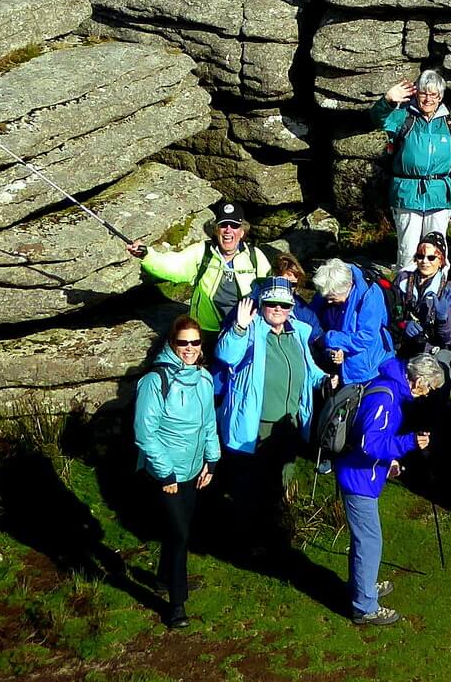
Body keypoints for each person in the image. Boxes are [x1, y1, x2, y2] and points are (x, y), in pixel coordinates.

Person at [213, 277, 326, 550]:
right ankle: (249, 540)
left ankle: (280, 533)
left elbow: (309, 369)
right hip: (257, 424)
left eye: (284, 304)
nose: (278, 308)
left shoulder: (298, 331)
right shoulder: (249, 328)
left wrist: (327, 380)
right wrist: (238, 327)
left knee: (282, 481)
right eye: (272, 303)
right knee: (253, 485)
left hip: (289, 423)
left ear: (291, 307)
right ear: (262, 304)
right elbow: (226, 355)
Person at [337, 353, 445, 626]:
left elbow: (375, 439)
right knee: (370, 541)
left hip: (362, 474)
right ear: (418, 380)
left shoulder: (387, 387)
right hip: (358, 478)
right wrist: (407, 443)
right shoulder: (386, 398)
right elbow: (369, 444)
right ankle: (365, 607)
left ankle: (363, 586)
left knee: (364, 539)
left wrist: (388, 463)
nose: (426, 394)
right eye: (429, 388)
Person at [133, 315, 220, 629]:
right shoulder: (155, 381)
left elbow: (209, 424)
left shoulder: (205, 379)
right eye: (183, 342)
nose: (189, 348)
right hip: (166, 473)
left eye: (195, 342)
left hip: (194, 469)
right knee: (180, 535)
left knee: (177, 532)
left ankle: (163, 579)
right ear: (172, 343)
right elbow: (145, 432)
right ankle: (176, 603)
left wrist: (211, 461)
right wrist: (165, 473)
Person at [372, 69, 451, 274]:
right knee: (408, 253)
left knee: (436, 254)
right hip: (407, 194)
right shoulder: (404, 117)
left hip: (439, 196)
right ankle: (404, 300)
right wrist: (388, 99)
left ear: (440, 96)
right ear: (416, 93)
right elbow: (377, 118)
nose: (428, 98)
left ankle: (436, 300)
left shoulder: (449, 124)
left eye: (434, 94)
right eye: (424, 93)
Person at [126, 199, 269, 332]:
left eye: (234, 226)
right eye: (223, 225)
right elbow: (172, 265)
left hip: (245, 331)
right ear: (216, 229)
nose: (228, 230)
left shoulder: (255, 256)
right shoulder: (201, 252)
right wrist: (146, 255)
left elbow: (272, 291)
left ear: (242, 231)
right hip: (205, 332)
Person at [310, 258, 395, 387]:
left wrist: (328, 339)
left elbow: (365, 337)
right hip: (337, 366)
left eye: (332, 298)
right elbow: (313, 320)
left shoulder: (370, 294)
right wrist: (332, 350)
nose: (328, 302)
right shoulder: (328, 286)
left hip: (370, 370)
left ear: (347, 287)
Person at [393, 231, 451, 369]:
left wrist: (443, 319)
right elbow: (387, 315)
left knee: (439, 375)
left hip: (432, 347)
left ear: (441, 260)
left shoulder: (447, 288)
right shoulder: (402, 280)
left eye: (431, 257)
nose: (425, 261)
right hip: (402, 342)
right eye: (420, 256)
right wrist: (403, 325)